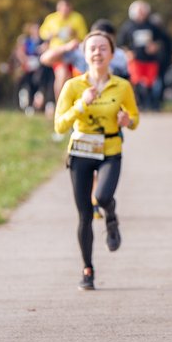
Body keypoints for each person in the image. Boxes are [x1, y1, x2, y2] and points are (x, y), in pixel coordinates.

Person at [54, 30, 140, 291]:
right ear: (84, 54)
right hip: (80, 152)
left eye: (103, 48)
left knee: (101, 198)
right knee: (84, 215)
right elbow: (59, 125)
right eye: (92, 48)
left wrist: (128, 121)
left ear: (112, 54)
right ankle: (87, 268)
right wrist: (81, 104)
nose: (97, 53)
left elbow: (135, 119)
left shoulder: (122, 86)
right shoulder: (73, 86)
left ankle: (111, 218)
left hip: (110, 151)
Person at [118, 0, 171, 111]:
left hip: (150, 60)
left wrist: (155, 46)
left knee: (150, 84)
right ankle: (139, 104)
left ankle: (152, 104)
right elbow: (121, 43)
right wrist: (127, 52)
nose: (141, 13)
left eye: (143, 11)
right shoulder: (128, 26)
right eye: (139, 11)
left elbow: (163, 40)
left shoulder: (152, 26)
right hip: (135, 61)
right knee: (137, 83)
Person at [40, 0, 89, 103]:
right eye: (62, 8)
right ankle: (60, 105)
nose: (64, 11)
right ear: (58, 8)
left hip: (74, 52)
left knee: (75, 78)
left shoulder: (77, 18)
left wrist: (75, 33)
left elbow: (84, 36)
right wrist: (51, 35)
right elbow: (43, 33)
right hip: (58, 53)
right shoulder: (51, 19)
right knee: (61, 75)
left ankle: (76, 103)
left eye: (67, 8)